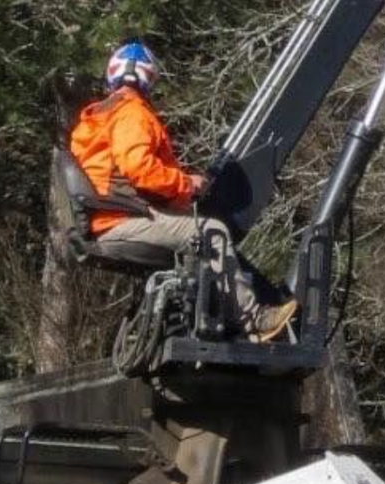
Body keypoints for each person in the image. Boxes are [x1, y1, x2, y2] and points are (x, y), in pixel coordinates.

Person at [71, 42, 297, 343]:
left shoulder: (94, 121)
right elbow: (140, 170)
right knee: (212, 232)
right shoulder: (132, 114)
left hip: (110, 218)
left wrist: (180, 196)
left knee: (194, 228)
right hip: (119, 220)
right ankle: (254, 321)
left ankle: (208, 312)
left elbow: (118, 178)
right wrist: (187, 184)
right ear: (150, 78)